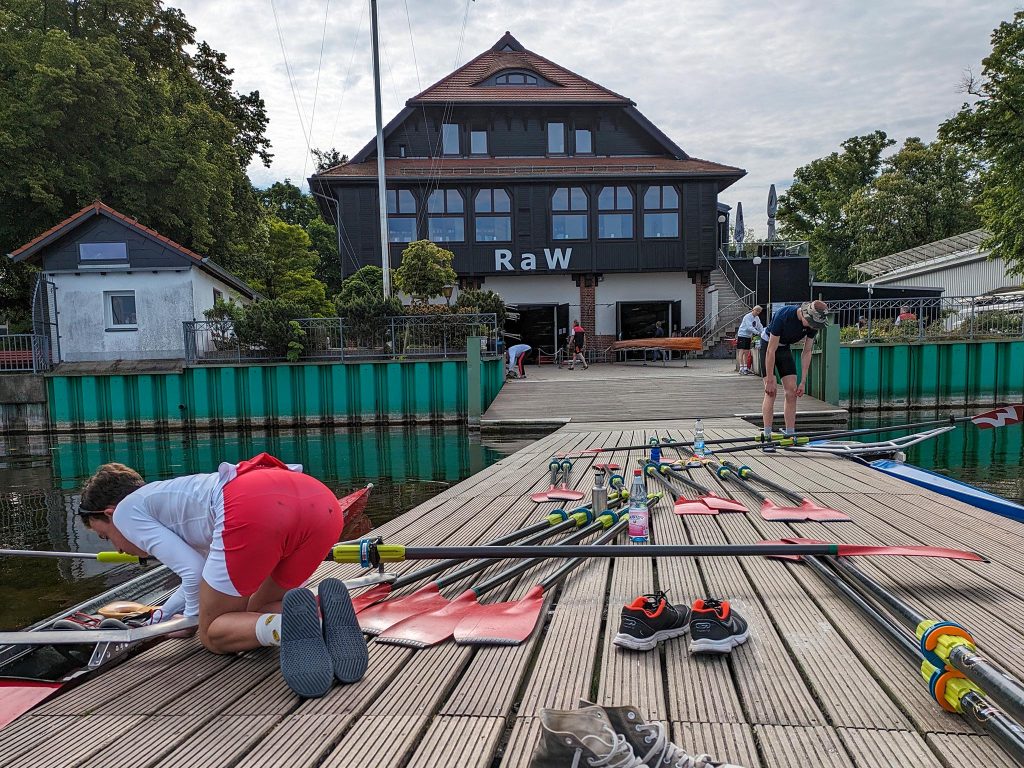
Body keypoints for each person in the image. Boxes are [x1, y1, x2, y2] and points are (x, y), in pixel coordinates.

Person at [77, 453, 369, 697]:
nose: (118, 548)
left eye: (106, 537)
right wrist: (165, 613)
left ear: (111, 513)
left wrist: (194, 621)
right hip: (321, 503)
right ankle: (321, 623)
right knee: (254, 610)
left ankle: (287, 628)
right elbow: (203, 574)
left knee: (214, 632)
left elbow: (192, 573)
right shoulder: (166, 500)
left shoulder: (126, 513)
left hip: (254, 507)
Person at [760, 300, 830, 451]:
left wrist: (803, 381)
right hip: (768, 347)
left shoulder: (813, 326)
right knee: (771, 392)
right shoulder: (783, 315)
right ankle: (767, 436)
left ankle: (790, 435)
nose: (812, 327)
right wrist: (770, 379)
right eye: (811, 323)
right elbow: (771, 351)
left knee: (792, 392)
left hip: (784, 348)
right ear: (805, 313)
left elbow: (807, 351)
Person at [735, 306, 763, 375]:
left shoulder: (757, 318)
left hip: (748, 336)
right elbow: (749, 327)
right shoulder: (747, 317)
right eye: (757, 311)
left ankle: (745, 367)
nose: (758, 312)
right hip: (742, 335)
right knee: (741, 351)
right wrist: (758, 333)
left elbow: (759, 326)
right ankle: (741, 368)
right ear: (753, 310)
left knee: (747, 351)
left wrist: (762, 332)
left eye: (759, 311)